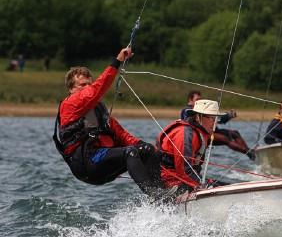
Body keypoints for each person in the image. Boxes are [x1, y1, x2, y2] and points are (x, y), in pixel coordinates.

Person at [53, 47, 160, 194]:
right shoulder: (70, 104)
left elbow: (121, 134)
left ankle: (162, 197)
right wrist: (118, 61)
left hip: (103, 161)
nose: (87, 88)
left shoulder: (98, 109)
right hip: (87, 163)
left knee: (147, 150)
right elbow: (98, 88)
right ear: (71, 89)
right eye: (82, 85)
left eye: (89, 84)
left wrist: (146, 146)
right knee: (130, 152)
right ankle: (155, 194)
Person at [157, 99, 226, 195]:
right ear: (198, 117)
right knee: (215, 186)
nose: (215, 123)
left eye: (217, 119)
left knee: (224, 185)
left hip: (184, 181)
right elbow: (184, 171)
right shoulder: (185, 134)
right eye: (212, 118)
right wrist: (203, 185)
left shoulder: (199, 133)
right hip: (171, 184)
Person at [180, 90, 254, 160]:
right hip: (203, 133)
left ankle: (249, 150)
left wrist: (228, 116)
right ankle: (248, 153)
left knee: (235, 133)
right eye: (197, 99)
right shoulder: (187, 111)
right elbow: (190, 123)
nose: (199, 101)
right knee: (225, 139)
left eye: (200, 99)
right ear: (190, 99)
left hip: (213, 130)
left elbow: (217, 119)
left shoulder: (203, 109)